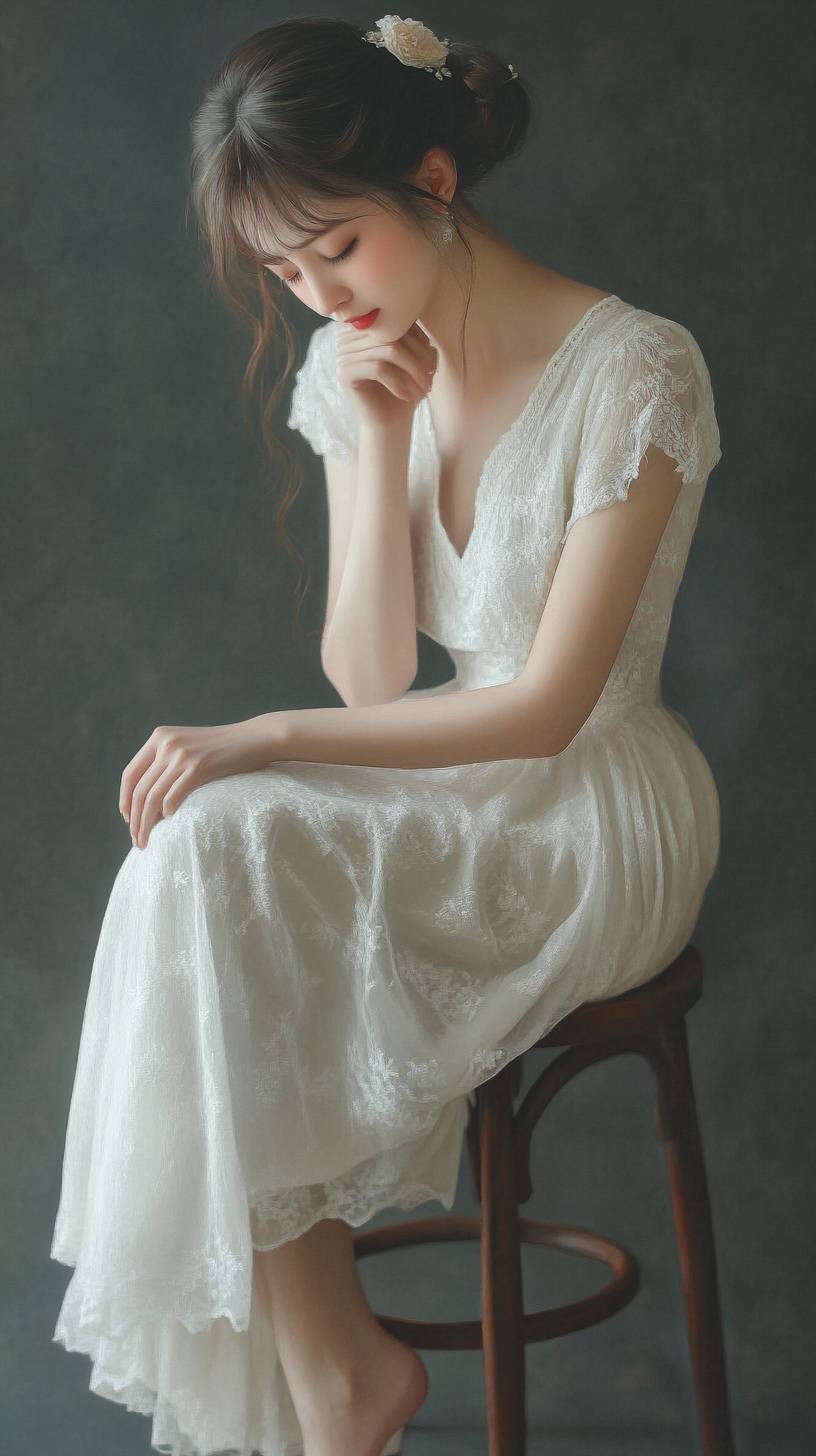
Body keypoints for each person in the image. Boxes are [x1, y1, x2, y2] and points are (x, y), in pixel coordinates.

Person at [49, 14, 723, 1456]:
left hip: (597, 798)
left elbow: (545, 709)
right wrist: (369, 453)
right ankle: (342, 1370)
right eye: (283, 272)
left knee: (231, 817)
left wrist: (258, 735)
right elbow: (372, 680)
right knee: (200, 854)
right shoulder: (356, 367)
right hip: (449, 763)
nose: (317, 296)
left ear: (435, 178)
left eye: (337, 249)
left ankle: (344, 1389)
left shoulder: (637, 371)